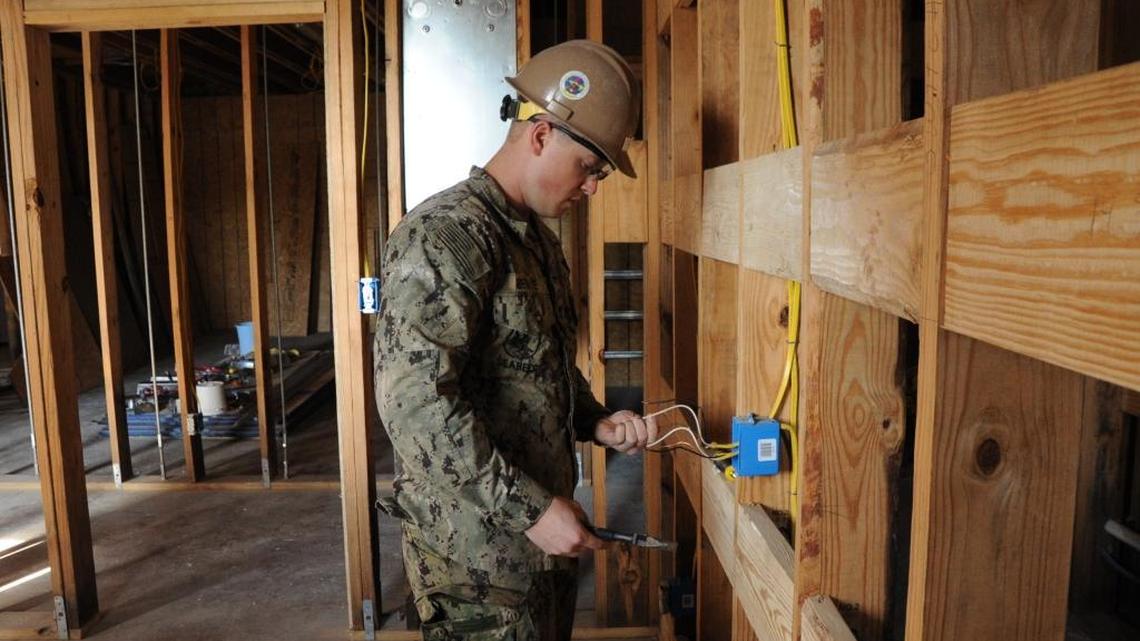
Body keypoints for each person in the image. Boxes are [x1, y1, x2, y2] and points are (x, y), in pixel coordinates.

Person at [374, 39, 657, 640]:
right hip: (476, 565)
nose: (593, 187)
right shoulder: (445, 236)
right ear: (541, 135)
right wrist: (529, 510)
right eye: (590, 167)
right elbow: (414, 406)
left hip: (540, 545)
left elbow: (537, 362)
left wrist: (594, 420)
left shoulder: (535, 241)